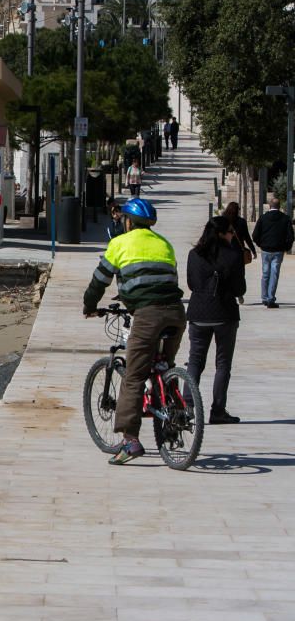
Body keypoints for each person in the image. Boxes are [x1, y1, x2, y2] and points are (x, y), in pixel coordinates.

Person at [84, 198, 185, 465]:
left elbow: (100, 280)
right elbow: (168, 279)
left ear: (128, 222)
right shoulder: (164, 244)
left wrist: (90, 305)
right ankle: (173, 415)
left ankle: (130, 442)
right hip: (176, 313)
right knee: (164, 364)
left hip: (147, 315)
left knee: (134, 375)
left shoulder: (119, 244)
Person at [185, 216, 245, 424]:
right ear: (221, 233)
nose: (232, 235)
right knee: (223, 364)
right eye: (230, 232)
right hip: (224, 315)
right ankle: (217, 410)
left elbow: (191, 284)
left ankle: (187, 406)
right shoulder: (233, 256)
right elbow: (240, 289)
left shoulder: (194, 255)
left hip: (198, 313)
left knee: (195, 361)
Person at [252, 197, 295, 308]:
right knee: (274, 273)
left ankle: (264, 297)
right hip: (278, 250)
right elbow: (290, 236)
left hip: (266, 249)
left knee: (265, 273)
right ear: (279, 206)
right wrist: (286, 247)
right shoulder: (285, 218)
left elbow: (255, 235)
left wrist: (260, 244)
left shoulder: (263, 218)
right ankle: (271, 298)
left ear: (270, 206)